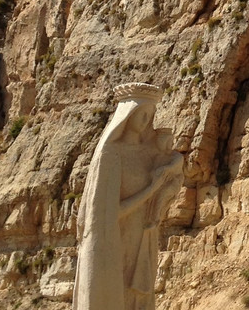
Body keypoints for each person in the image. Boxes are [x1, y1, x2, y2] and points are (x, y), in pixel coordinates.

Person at [73, 83, 183, 310]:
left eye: (150, 115)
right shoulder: (111, 155)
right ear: (128, 115)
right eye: (142, 114)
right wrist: (151, 190)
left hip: (143, 235)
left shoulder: (150, 154)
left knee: (137, 298)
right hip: (115, 238)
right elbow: (109, 214)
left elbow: (173, 173)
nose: (146, 121)